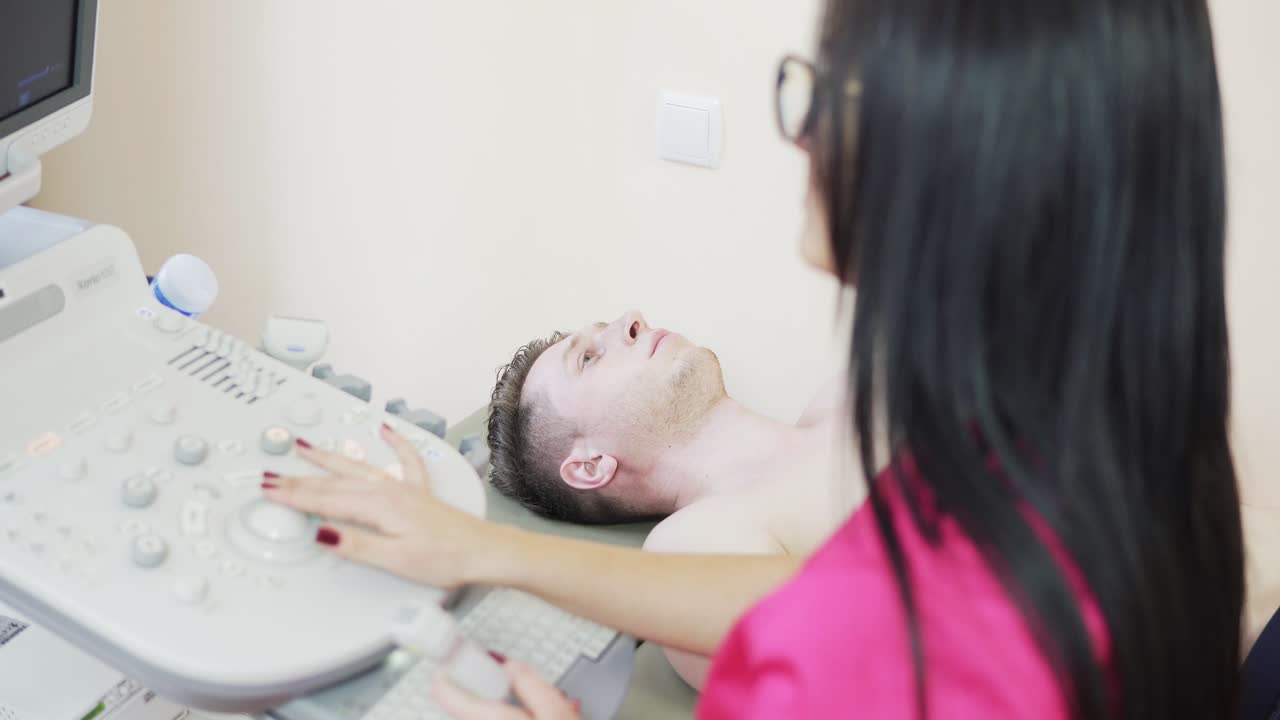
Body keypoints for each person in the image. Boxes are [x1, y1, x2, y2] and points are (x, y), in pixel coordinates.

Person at [263, 0, 1246, 717]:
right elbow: (841, 609)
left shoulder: (882, 411)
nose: (804, 128)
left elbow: (845, 621)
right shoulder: (1094, 427)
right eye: (591, 353)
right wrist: (488, 549)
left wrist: (489, 552)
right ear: (589, 464)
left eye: (824, 90)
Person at [485, 317, 858, 688]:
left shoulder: (853, 392)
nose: (631, 320)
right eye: (587, 359)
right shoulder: (695, 545)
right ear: (591, 465)